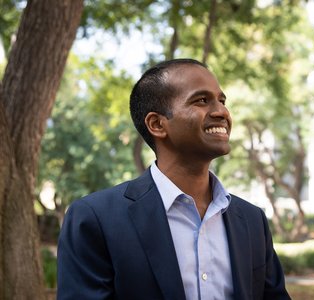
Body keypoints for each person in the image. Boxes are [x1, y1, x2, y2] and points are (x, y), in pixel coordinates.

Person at [57, 58, 291, 300]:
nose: (221, 112)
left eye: (221, 101)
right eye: (201, 100)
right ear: (157, 124)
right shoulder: (95, 219)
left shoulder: (252, 220)